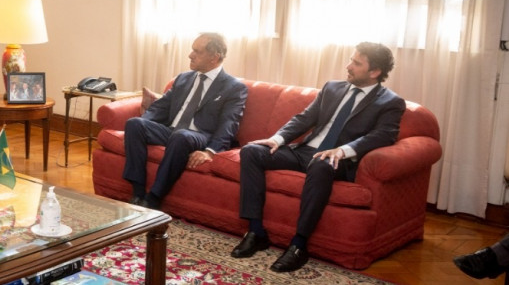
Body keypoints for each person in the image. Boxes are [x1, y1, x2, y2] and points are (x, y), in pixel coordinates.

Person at [230, 42, 405, 272]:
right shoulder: (333, 88)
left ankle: (299, 245)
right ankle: (256, 231)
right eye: (351, 60)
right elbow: (304, 118)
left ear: (375, 72)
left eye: (356, 63)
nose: (348, 66)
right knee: (252, 150)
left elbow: (384, 136)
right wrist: (277, 139)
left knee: (322, 163)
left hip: (336, 160)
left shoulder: (390, 102)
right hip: (303, 152)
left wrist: (343, 150)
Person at [122, 33, 248, 209]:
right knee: (134, 124)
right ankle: (138, 193)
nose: (190, 55)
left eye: (197, 51)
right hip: (172, 132)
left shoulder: (233, 87)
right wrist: (142, 124)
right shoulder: (183, 78)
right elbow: (160, 107)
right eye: (192, 50)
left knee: (181, 136)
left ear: (214, 57)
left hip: (199, 136)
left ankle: (154, 199)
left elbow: (229, 123)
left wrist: (210, 152)